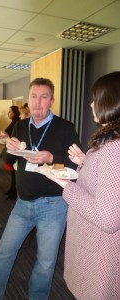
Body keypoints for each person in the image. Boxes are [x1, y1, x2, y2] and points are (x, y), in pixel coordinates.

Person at [0, 78, 81, 300]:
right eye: (33, 97)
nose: (38, 103)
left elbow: (76, 165)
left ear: (52, 101)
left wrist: (52, 157)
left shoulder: (65, 127)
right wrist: (8, 146)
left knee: (45, 261)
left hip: (54, 204)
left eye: (44, 97)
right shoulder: (20, 125)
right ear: (28, 100)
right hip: (23, 201)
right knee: (4, 251)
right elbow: (9, 159)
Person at [44, 72, 120, 300]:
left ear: (111, 101)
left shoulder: (114, 147)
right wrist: (85, 164)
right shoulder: (112, 142)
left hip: (100, 251)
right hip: (95, 244)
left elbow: (107, 218)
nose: (91, 104)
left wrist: (65, 185)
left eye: (95, 98)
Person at [0, 105, 20, 200]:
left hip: (14, 151)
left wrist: (6, 136)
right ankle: (12, 189)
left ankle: (13, 192)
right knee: (12, 173)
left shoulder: (17, 122)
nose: (8, 113)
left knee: (14, 172)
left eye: (10, 112)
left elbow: (13, 137)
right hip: (10, 149)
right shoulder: (13, 122)